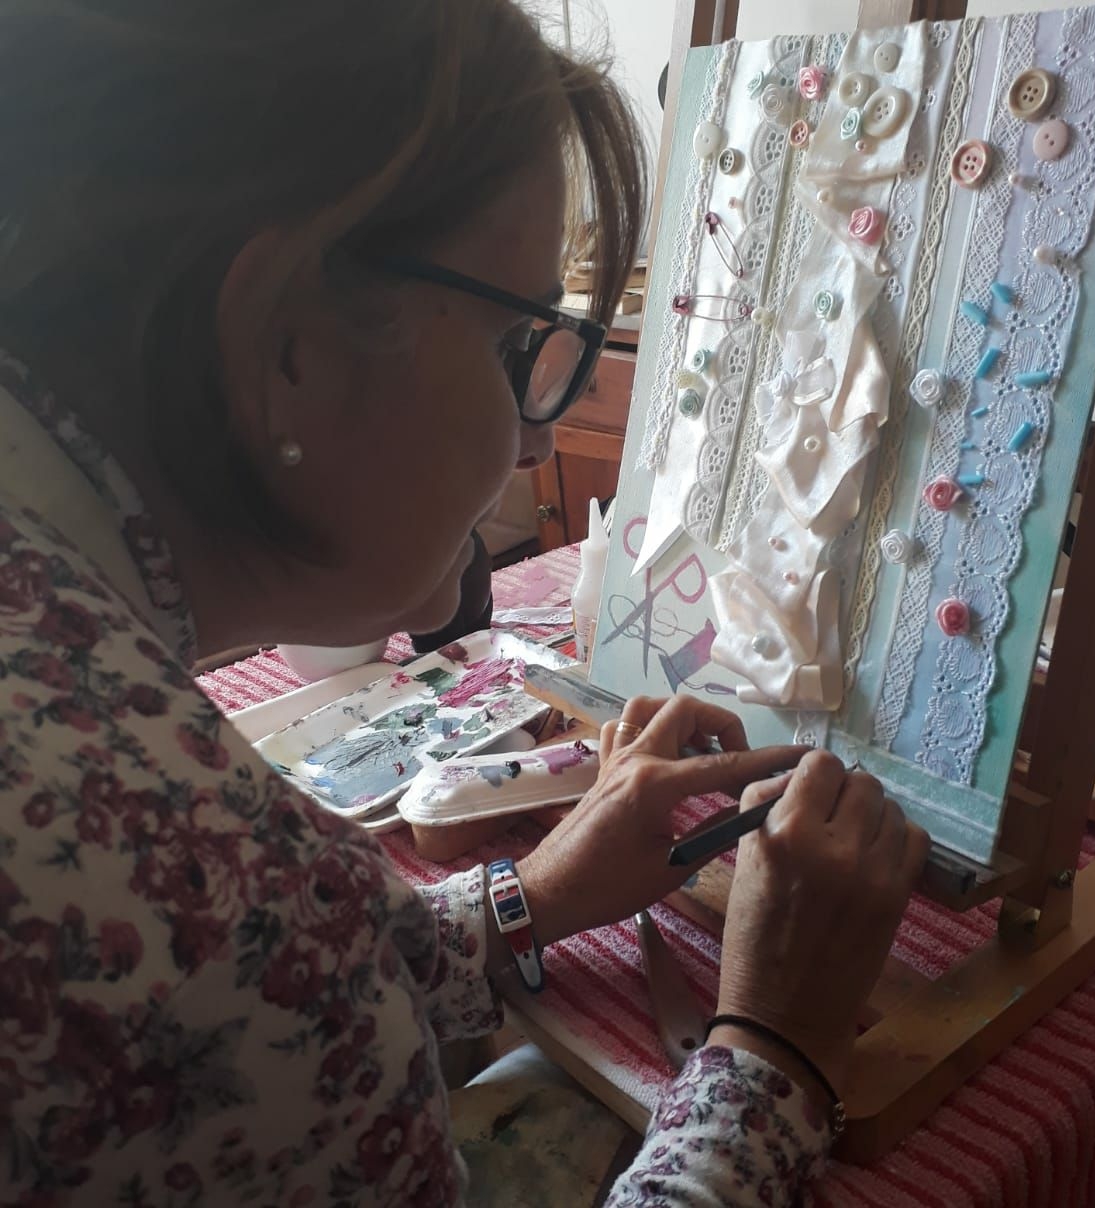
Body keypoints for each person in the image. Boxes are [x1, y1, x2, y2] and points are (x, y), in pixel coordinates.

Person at [0, 2, 930, 1203]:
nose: (536, 442)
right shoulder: (202, 885)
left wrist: (525, 899)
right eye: (514, 343)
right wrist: (772, 1052)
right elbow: (245, 966)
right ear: (288, 344)